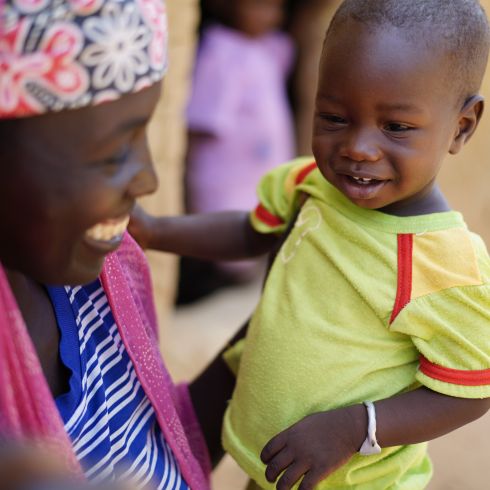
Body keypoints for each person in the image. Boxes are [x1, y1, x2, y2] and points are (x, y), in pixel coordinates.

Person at [129, 0, 490, 488]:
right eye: (334, 117)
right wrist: (154, 232)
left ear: (462, 126)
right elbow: (250, 231)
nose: (357, 147)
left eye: (396, 127)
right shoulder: (311, 186)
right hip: (277, 466)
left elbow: (472, 389)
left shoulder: (441, 263)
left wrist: (354, 428)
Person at [0, 0, 236, 489]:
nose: (148, 179)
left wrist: (292, 305)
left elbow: (159, 451)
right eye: (113, 154)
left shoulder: (94, 289)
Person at [177, 0, 295, 301]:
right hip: (225, 170)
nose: (270, 14)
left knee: (257, 221)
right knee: (223, 227)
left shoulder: (268, 47)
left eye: (275, 6)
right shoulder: (221, 54)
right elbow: (200, 123)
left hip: (257, 171)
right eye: (259, 6)